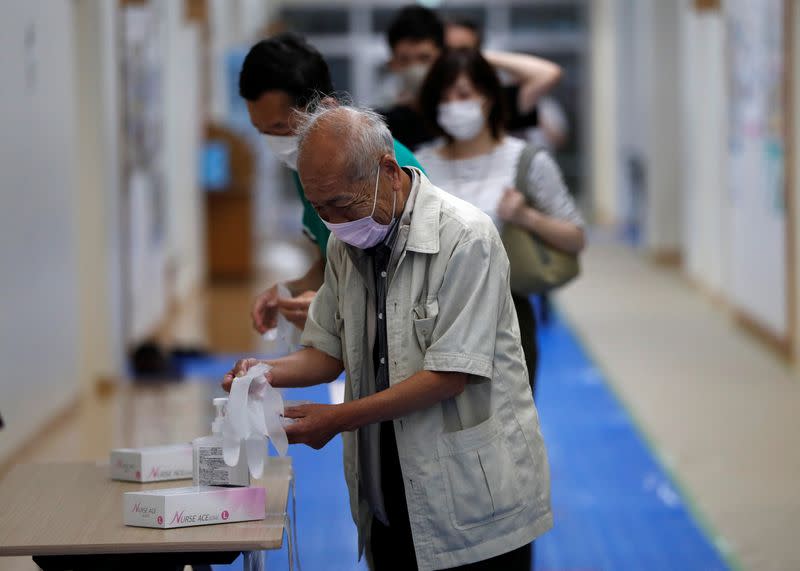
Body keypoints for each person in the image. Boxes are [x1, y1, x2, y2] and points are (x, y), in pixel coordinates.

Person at [223, 102, 552, 570]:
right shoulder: (346, 242)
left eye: (341, 203)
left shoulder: (466, 238)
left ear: (388, 171)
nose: (334, 221)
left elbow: (448, 377)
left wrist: (337, 419)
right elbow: (327, 351)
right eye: (320, 208)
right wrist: (264, 372)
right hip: (388, 493)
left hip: (473, 503)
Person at [415, 49, 585, 397]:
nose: (453, 105)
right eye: (444, 97)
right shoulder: (420, 165)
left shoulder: (524, 161)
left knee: (511, 432)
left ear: (489, 97)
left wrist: (526, 217)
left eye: (463, 94)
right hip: (434, 321)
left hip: (507, 319)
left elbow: (575, 238)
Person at [238, 34, 424, 333]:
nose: (274, 142)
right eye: (261, 131)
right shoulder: (307, 168)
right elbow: (334, 261)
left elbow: (413, 292)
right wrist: (290, 291)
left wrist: (332, 307)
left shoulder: (389, 170)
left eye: (280, 128)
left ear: (324, 108)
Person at [379, 4, 562, 150]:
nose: (415, 68)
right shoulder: (384, 125)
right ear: (392, 64)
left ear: (443, 56)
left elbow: (546, 74)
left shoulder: (477, 107)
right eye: (404, 59)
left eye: (424, 58)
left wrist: (470, 57)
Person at [444, 17, 570, 152]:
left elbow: (549, 74)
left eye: (464, 51)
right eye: (447, 50)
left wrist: (474, 57)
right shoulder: (423, 97)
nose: (454, 60)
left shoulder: (496, 101)